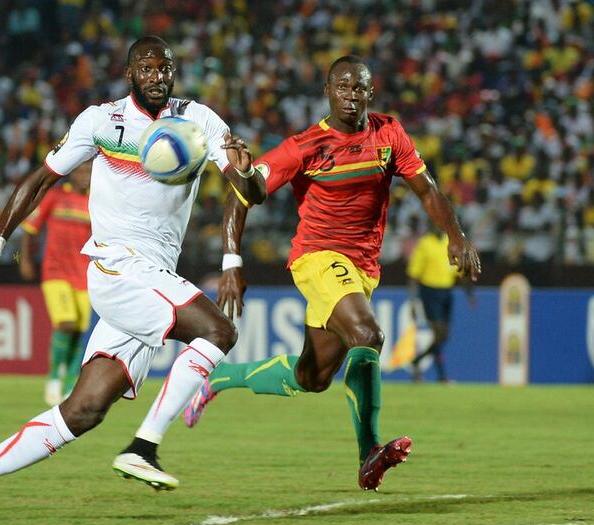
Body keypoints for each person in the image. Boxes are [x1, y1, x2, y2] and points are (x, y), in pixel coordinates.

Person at [0, 36, 266, 523]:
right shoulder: (100, 121)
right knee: (219, 331)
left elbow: (247, 190)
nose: (157, 76)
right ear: (130, 74)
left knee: (84, 410)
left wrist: (245, 178)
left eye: (165, 68)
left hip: (152, 275)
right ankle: (144, 447)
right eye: (146, 68)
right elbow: (40, 179)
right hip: (117, 266)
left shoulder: (199, 121)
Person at [184, 55, 481, 491]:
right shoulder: (305, 145)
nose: (351, 96)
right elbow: (245, 194)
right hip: (318, 257)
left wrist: (455, 235)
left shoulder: (389, 133)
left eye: (358, 88)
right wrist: (233, 255)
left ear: (370, 93)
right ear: (327, 92)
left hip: (362, 267)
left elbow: (427, 189)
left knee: (313, 376)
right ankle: (369, 453)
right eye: (342, 87)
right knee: (369, 335)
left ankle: (221, 379)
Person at [19, 160, 92, 405]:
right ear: (73, 174)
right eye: (82, 171)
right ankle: (53, 377)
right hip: (55, 272)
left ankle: (71, 381)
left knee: (80, 332)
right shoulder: (55, 197)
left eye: (90, 172)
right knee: (66, 324)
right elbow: (30, 229)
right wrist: (25, 259)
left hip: (85, 276)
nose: (86, 176)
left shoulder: (97, 203)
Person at [407, 223, 475, 383]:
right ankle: (437, 373)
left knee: (442, 336)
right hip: (429, 291)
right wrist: (412, 301)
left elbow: (460, 271)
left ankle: (424, 366)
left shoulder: (449, 242)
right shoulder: (425, 244)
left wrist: (469, 293)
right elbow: (413, 275)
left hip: (447, 292)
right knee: (440, 333)